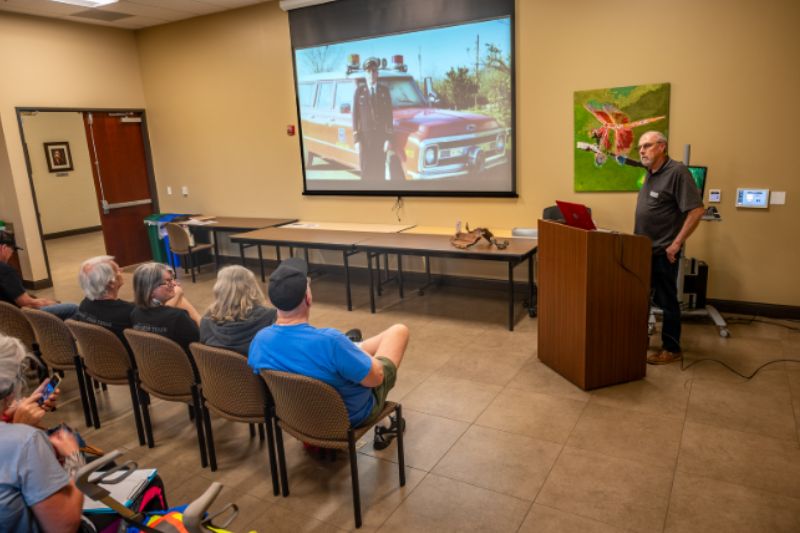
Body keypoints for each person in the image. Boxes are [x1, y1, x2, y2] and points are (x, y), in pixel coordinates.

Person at [249, 258, 408, 428]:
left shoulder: (260, 340)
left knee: (352, 347)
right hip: (347, 418)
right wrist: (368, 358)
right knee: (399, 331)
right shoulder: (330, 341)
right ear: (308, 298)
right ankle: (385, 423)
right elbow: (376, 379)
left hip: (296, 417)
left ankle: (355, 349)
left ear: (272, 301)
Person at [0, 333, 84, 531]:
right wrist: (75, 459)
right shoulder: (25, 442)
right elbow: (64, 526)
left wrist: (9, 418)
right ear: (12, 388)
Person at [634, 131, 704, 365]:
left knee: (667, 301)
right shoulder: (650, 173)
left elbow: (696, 210)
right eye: (640, 147)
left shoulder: (677, 172)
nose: (642, 150)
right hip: (642, 250)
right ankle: (638, 339)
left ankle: (672, 348)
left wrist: (675, 244)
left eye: (647, 146)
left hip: (664, 251)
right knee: (640, 298)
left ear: (662, 147)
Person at [200, 265, 277, 356]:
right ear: (252, 288)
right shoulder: (270, 318)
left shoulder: (206, 320)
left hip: (215, 370)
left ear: (219, 289)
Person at [0, 230, 77, 320]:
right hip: (19, 316)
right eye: (12, 250)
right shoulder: (6, 270)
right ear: (4, 248)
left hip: (5, 315)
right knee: (73, 308)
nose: (12, 254)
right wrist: (49, 302)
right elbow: (26, 303)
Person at [130, 262, 201, 354]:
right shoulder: (178, 316)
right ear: (150, 289)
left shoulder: (135, 312)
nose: (175, 284)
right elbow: (200, 340)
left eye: (173, 280)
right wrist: (178, 296)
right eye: (168, 281)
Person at [352, 57, 393, 183]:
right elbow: (355, 117)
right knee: (366, 172)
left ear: (377, 73)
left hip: (380, 139)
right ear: (365, 73)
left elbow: (389, 117)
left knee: (379, 171)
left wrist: (388, 139)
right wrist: (357, 140)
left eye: (374, 71)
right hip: (365, 140)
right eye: (369, 71)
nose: (371, 74)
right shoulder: (359, 92)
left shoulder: (384, 91)